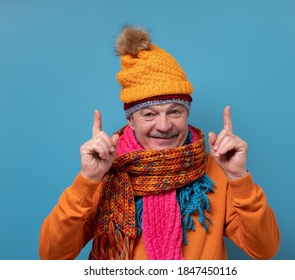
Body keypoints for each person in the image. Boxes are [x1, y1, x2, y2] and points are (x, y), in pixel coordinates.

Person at [39, 25, 280, 260]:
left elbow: (264, 250)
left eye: (175, 111)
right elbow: (52, 256)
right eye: (149, 114)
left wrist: (239, 178)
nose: (164, 126)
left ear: (187, 114)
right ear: (131, 121)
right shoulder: (104, 172)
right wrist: (87, 181)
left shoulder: (217, 170)